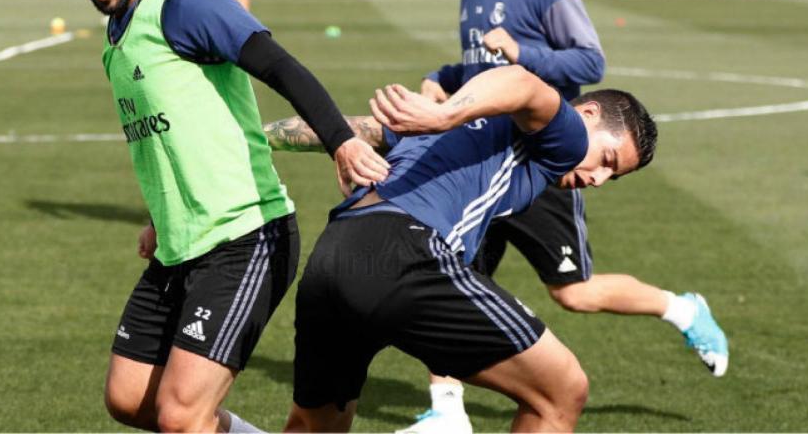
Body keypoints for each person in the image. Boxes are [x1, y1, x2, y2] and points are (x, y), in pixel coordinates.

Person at [34, 0, 388, 433]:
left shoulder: (186, 2)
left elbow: (280, 65)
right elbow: (166, 133)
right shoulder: (118, 30)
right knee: (129, 399)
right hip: (180, 247)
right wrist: (158, 217)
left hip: (244, 237)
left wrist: (341, 142)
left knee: (181, 415)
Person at [404, 0, 728, 430]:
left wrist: (526, 56)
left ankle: (682, 309)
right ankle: (446, 412)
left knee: (573, 293)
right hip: (484, 152)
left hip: (545, 161)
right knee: (448, 266)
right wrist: (444, 77)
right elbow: (481, 64)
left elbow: (589, 61)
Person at [261, 65, 658, 432]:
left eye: (613, 176)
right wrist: (444, 113)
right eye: (606, 158)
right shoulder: (566, 138)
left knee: (314, 425)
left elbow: (349, 129)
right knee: (563, 390)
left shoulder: (476, 126)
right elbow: (523, 81)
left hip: (333, 256)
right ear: (587, 114)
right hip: (404, 253)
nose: (599, 179)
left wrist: (256, 139)